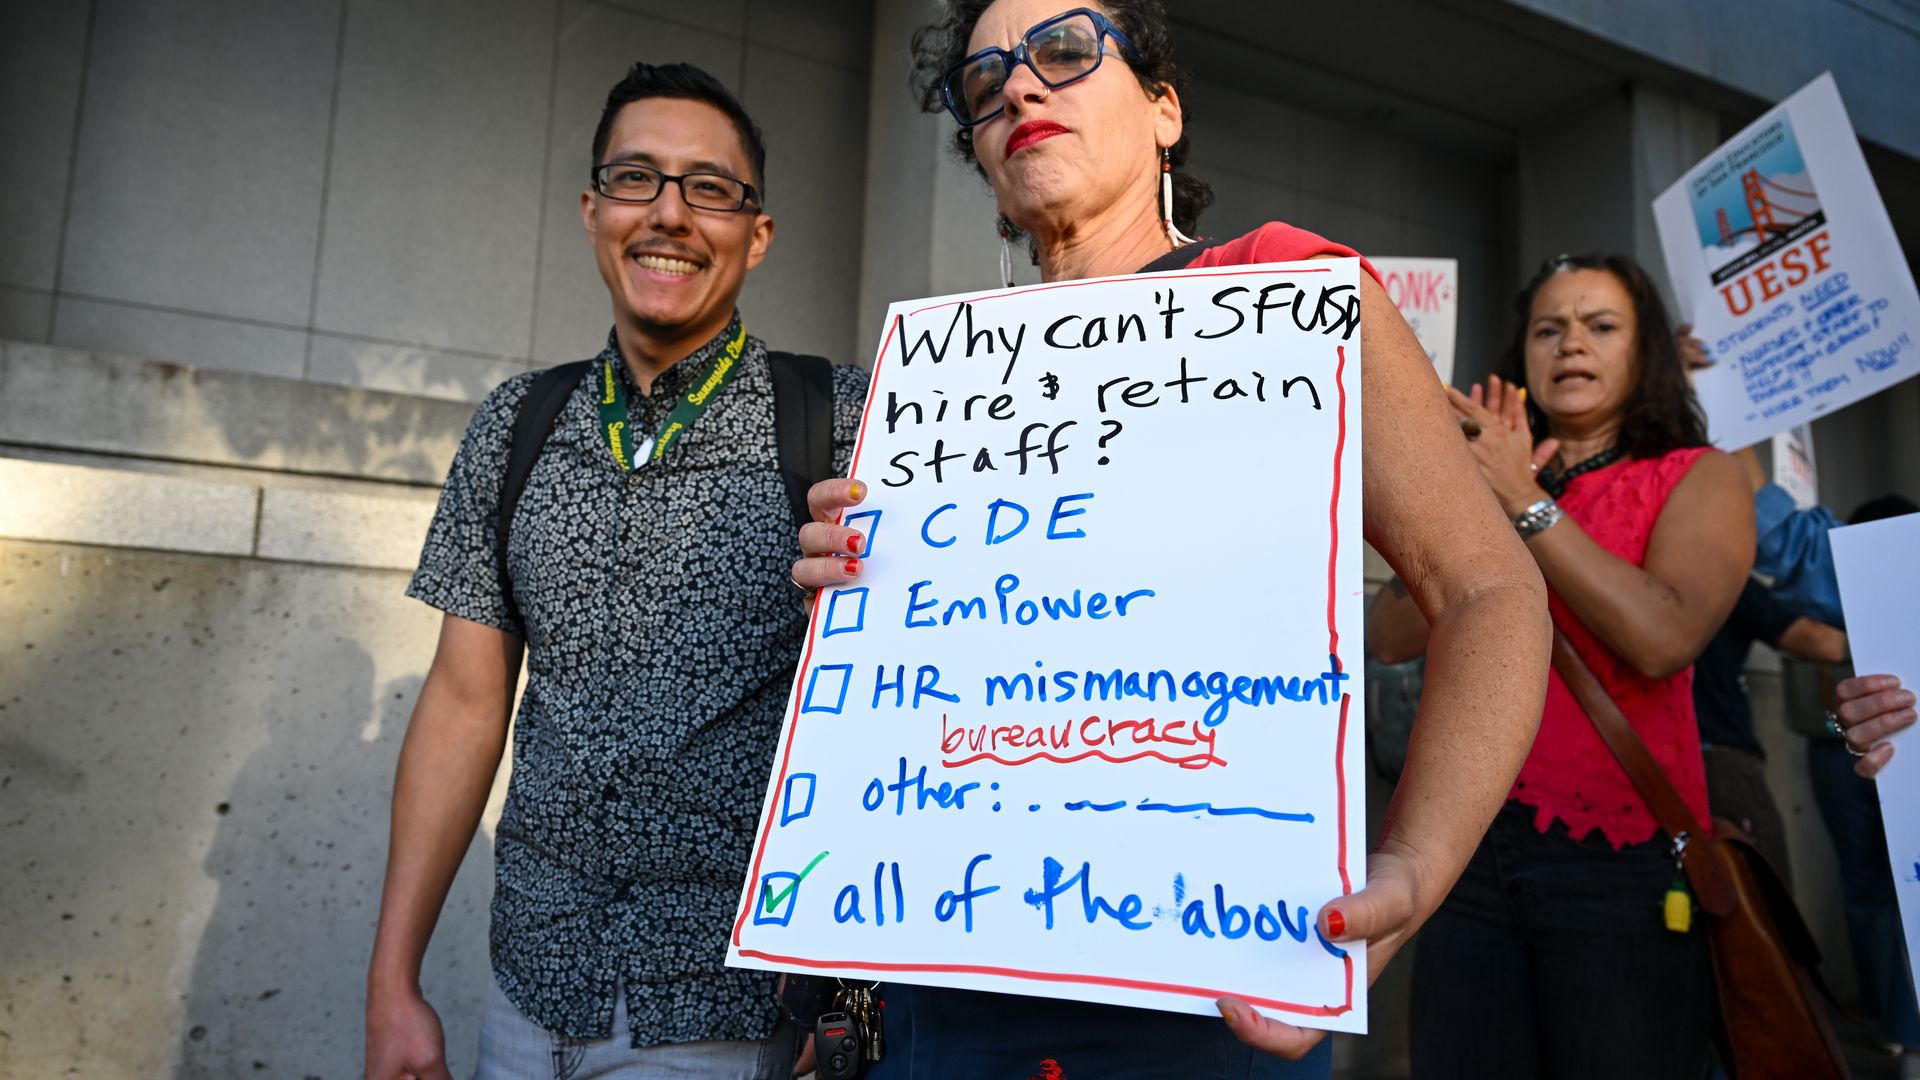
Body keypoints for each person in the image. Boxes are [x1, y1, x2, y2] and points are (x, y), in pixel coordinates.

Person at [791, 2, 1552, 1076]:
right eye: (985, 82)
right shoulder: (941, 385)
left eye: (1061, 51)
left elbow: (1489, 592)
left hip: (1214, 1000)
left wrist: (1414, 869)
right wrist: (860, 582)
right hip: (950, 981)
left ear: (1163, 108)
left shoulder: (1281, 288)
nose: (1017, 88)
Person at [363, 62, 866, 1079]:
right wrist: (393, 983)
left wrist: (850, 992)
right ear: (594, 210)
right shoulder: (515, 425)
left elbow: (899, 713)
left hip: (728, 1012)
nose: (670, 214)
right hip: (528, 985)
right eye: (637, 179)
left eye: (709, 188)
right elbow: (464, 706)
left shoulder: (843, 421)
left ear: (757, 233)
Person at [1372, 252, 1758, 1079]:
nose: (1570, 343)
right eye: (1549, 329)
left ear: (1645, 350)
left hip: (1621, 864)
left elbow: (1664, 636)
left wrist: (1523, 499)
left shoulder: (1702, 476)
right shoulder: (1485, 478)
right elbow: (1391, 635)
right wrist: (1462, 487)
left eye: (1600, 325)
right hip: (1465, 847)